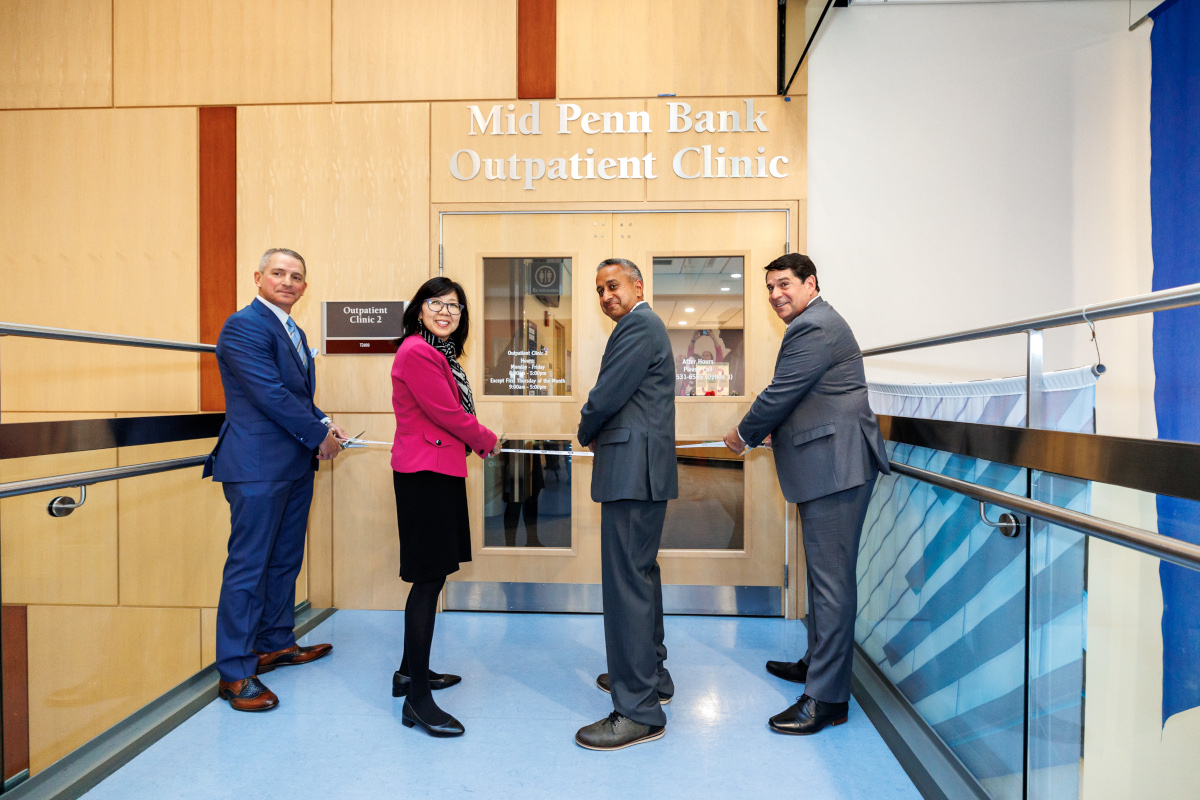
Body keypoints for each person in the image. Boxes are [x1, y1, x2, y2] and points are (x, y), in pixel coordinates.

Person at [722, 253, 889, 735]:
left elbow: (781, 392)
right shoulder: (815, 323)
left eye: (784, 284)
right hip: (828, 466)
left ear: (810, 283)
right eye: (769, 287)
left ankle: (827, 699)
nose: (776, 294)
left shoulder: (813, 327)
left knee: (831, 584)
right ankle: (818, 664)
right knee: (822, 579)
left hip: (838, 469)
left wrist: (743, 434)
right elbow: (813, 396)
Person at [204, 248, 345, 712]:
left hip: (292, 464)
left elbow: (298, 395)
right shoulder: (242, 326)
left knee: (284, 559)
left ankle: (275, 642)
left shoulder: (293, 329)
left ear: (305, 287)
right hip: (256, 466)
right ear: (258, 277)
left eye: (296, 276)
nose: (287, 281)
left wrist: (324, 422)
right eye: (279, 273)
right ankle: (237, 673)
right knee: (248, 568)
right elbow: (268, 394)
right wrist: (318, 434)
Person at [575, 258, 678, 751]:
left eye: (613, 285)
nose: (606, 296)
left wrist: (584, 429)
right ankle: (651, 677)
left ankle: (637, 709)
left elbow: (606, 395)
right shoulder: (646, 325)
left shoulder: (639, 325)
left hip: (630, 473)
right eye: (599, 290)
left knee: (625, 587)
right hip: (641, 472)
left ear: (638, 285)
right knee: (640, 577)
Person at [389, 277, 500, 738]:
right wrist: (488, 441)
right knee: (427, 579)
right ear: (419, 309)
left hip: (440, 469)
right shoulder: (417, 351)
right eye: (436, 303)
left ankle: (407, 673)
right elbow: (446, 414)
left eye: (454, 306)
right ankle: (417, 700)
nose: (446, 311)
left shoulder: (441, 355)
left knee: (432, 575)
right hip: (424, 473)